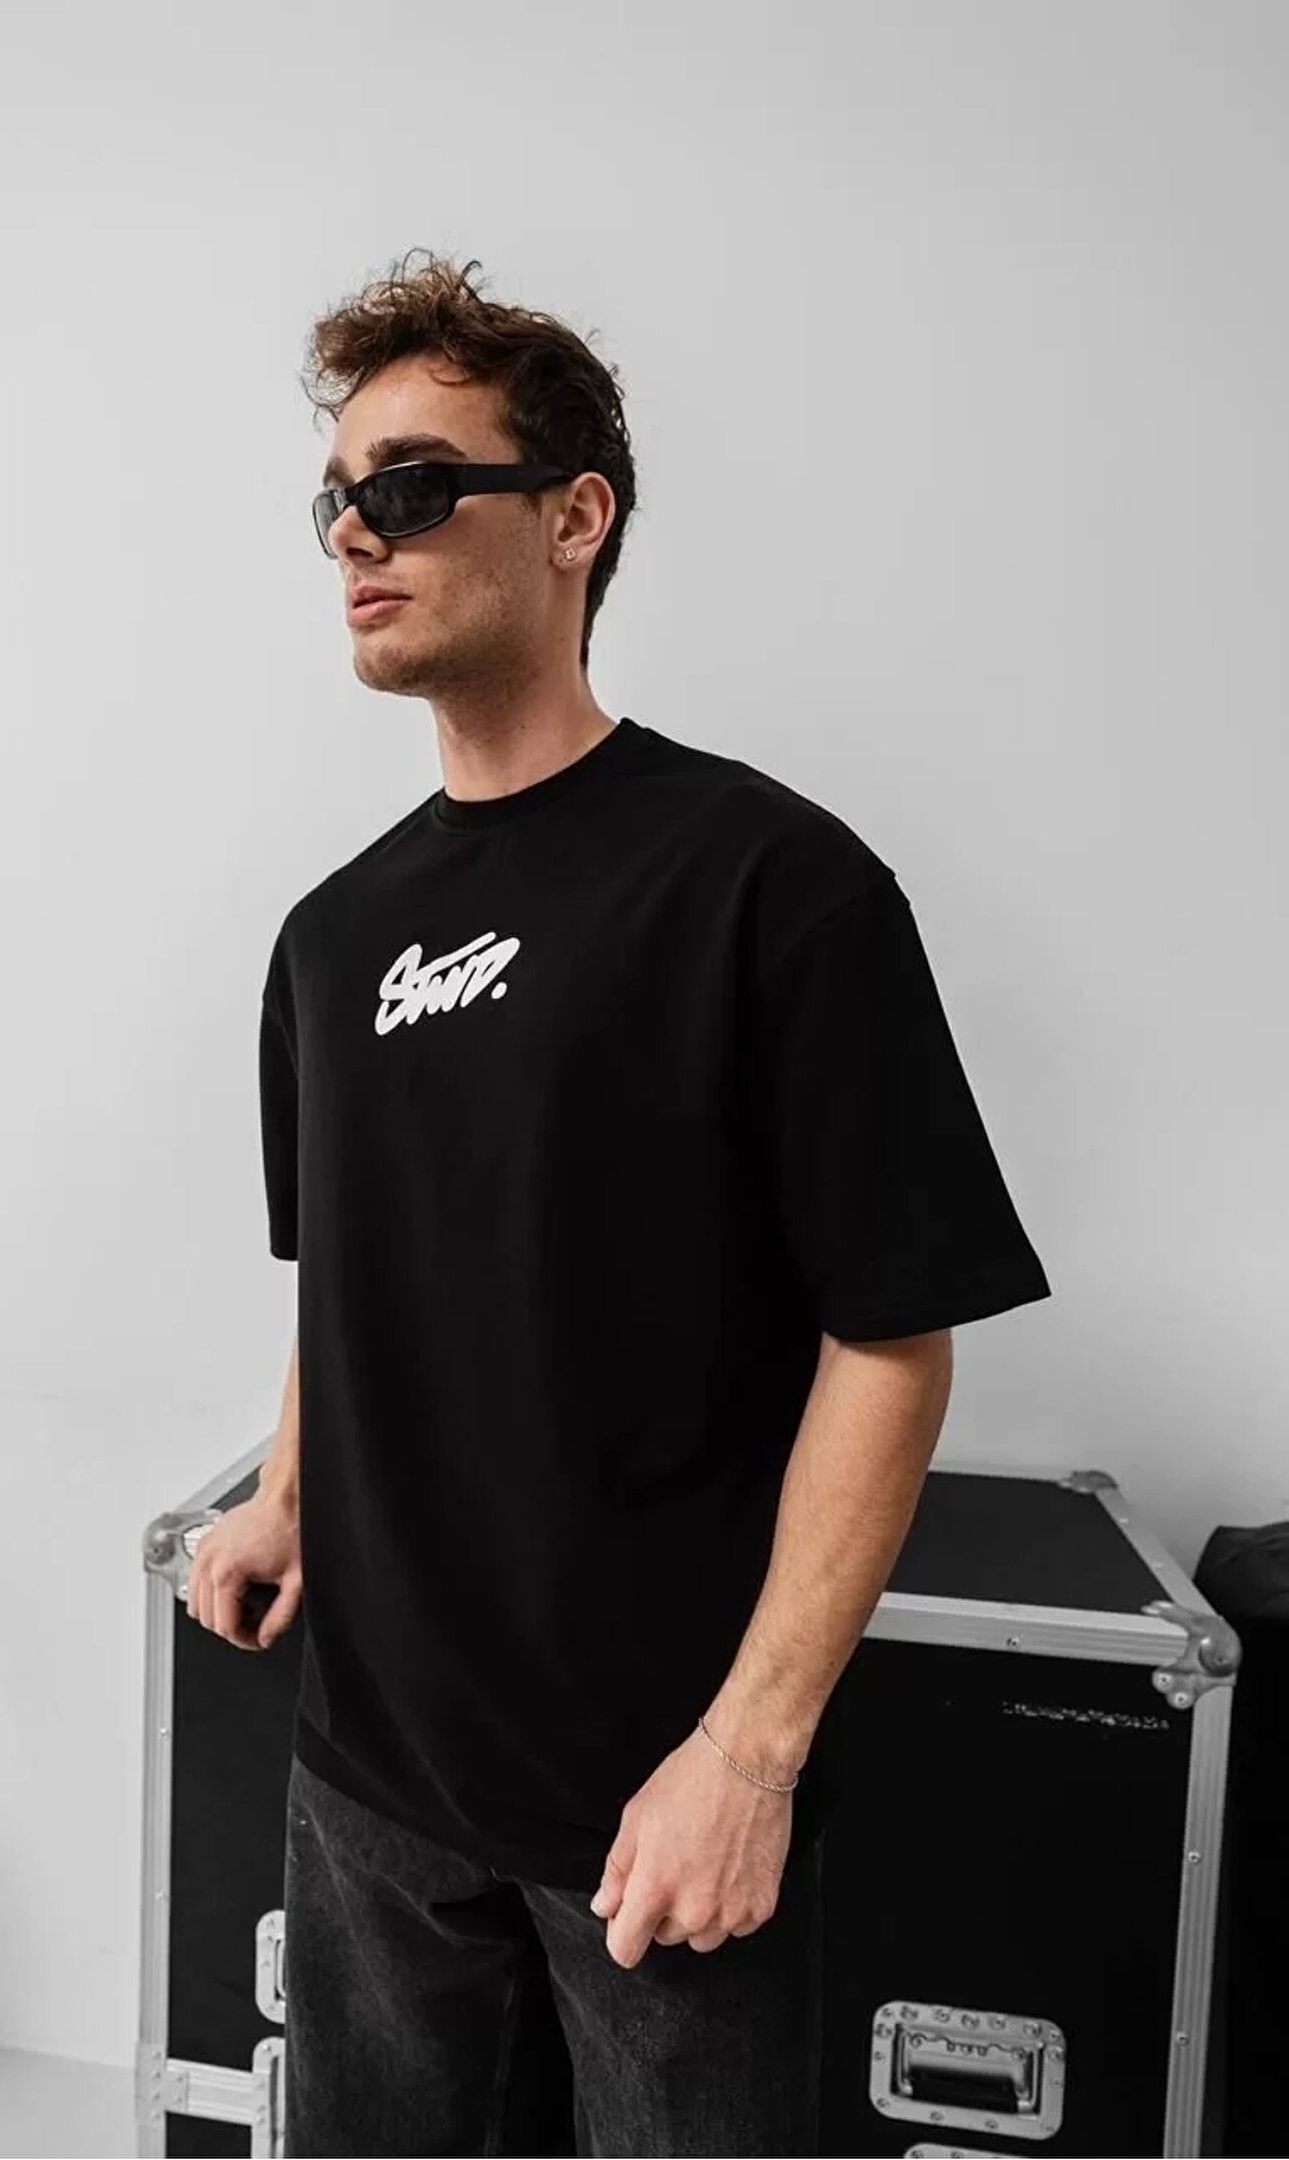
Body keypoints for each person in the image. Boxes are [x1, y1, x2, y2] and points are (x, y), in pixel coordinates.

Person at [186, 247, 1052, 2157]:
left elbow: (892, 1337)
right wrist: (288, 1493)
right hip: (366, 1788)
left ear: (575, 518)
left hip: (652, 1812)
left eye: (415, 485)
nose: (357, 532)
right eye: (335, 499)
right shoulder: (331, 939)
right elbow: (349, 1275)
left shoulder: (772, 886)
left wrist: (749, 1756)